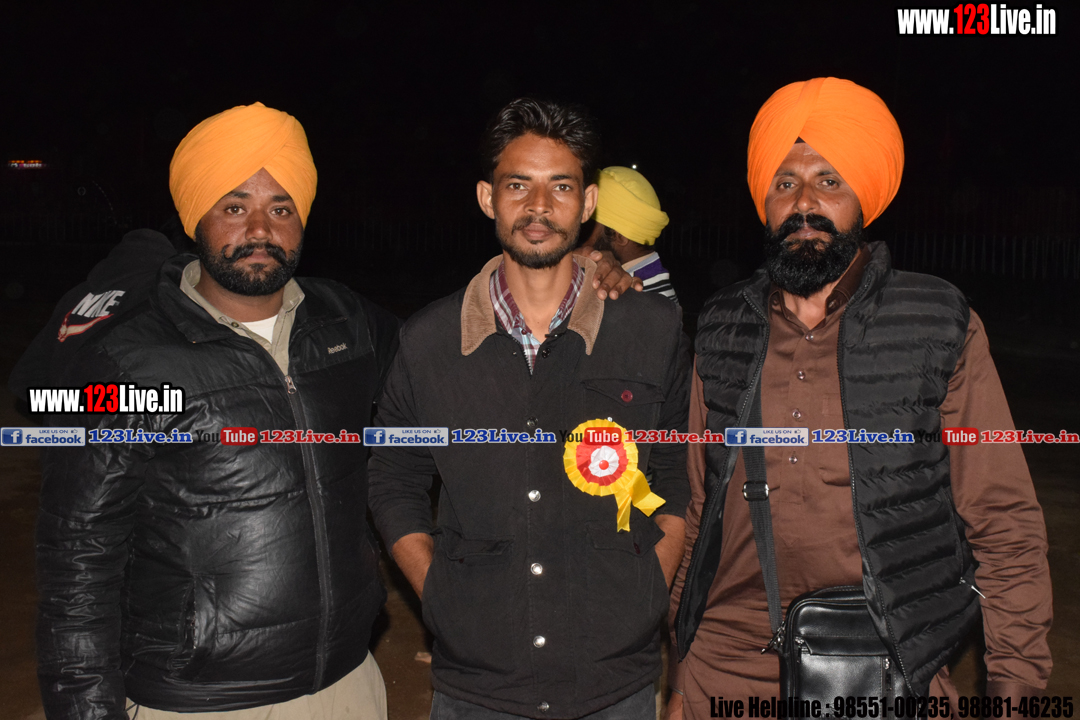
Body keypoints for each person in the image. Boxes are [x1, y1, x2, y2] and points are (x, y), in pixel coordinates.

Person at [668, 78, 1051, 718]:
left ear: (863, 198)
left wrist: (1013, 689)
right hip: (725, 668)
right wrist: (683, 675)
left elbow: (1003, 520)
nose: (804, 202)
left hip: (885, 666)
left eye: (829, 180)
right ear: (764, 199)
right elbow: (700, 509)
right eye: (785, 183)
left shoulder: (937, 322)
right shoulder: (721, 324)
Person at [35, 102, 401, 720]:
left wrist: (559, 278)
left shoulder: (347, 324)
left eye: (280, 208)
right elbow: (78, 563)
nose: (260, 230)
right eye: (234, 207)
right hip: (199, 702)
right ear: (195, 217)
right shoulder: (128, 362)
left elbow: (454, 359)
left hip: (346, 686)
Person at [367, 98, 691, 719]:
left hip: (613, 682)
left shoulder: (651, 330)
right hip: (477, 687)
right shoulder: (431, 340)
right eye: (519, 185)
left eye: (560, 186)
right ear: (487, 198)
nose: (539, 206)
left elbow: (676, 467)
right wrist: (439, 593)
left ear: (588, 203)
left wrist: (650, 580)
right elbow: (393, 476)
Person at [584, 166, 677, 302]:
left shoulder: (637, 299)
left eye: (587, 227)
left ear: (620, 237)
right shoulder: (654, 285)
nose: (583, 243)